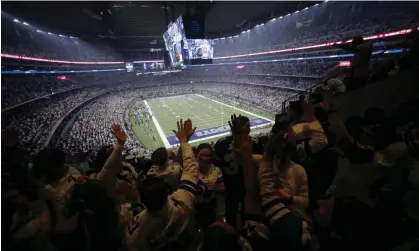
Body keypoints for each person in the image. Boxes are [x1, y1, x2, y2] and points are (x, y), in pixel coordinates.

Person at [124, 119, 198, 251]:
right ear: (167, 194)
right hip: (181, 238)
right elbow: (190, 170)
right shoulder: (180, 204)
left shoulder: (134, 227)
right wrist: (184, 141)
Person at [195, 143, 225, 232]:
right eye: (202, 155)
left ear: (211, 156)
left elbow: (223, 189)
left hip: (210, 208)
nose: (204, 158)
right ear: (196, 155)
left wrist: (216, 187)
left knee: (210, 229)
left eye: (207, 155)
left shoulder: (216, 171)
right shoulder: (191, 170)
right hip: (194, 209)